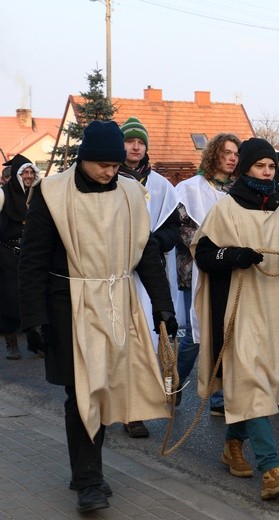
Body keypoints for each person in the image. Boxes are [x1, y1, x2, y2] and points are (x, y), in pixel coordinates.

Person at [18, 121, 178, 513]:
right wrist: (34, 319)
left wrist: (163, 305)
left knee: (103, 387)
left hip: (116, 301)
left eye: (115, 165)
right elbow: (33, 259)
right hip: (66, 304)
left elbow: (146, 254)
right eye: (102, 165)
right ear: (84, 158)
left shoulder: (129, 193)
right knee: (82, 391)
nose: (110, 172)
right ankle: (90, 479)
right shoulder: (52, 195)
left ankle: (84, 470)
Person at [192, 137, 279, 500]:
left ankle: (232, 445)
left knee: (259, 379)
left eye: (272, 167)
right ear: (246, 168)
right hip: (237, 308)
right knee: (252, 379)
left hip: (272, 307)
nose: (268, 172)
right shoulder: (225, 209)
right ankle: (271, 468)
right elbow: (204, 252)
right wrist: (234, 256)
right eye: (261, 166)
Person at [118, 116, 180, 439]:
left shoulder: (161, 186)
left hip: (153, 273)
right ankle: (129, 411)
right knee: (128, 341)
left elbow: (176, 227)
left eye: (140, 142)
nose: (136, 146)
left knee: (153, 339)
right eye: (130, 141)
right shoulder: (111, 180)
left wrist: (158, 241)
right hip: (122, 273)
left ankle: (148, 401)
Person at [174, 133, 241, 413]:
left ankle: (218, 397)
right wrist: (210, 250)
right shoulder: (189, 188)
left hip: (229, 269)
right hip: (197, 269)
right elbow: (182, 226)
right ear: (214, 153)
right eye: (226, 152)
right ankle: (173, 385)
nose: (232, 158)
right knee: (194, 333)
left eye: (236, 154)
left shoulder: (237, 190)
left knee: (223, 331)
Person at [0, 154, 43, 360]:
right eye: (24, 173)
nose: (28, 176)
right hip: (7, 253)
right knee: (9, 299)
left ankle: (37, 343)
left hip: (32, 254)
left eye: (30, 172)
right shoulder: (3, 195)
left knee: (33, 297)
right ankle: (11, 344)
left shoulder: (37, 195)